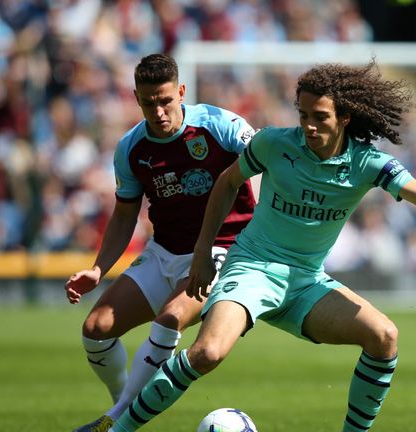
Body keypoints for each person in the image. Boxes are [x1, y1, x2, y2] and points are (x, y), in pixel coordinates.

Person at [109, 61, 416, 431]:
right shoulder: (273, 143)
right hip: (251, 269)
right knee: (207, 353)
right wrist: (204, 253)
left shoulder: (369, 164)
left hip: (306, 283)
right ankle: (117, 429)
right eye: (303, 114)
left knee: (384, 337)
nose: (308, 125)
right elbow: (225, 183)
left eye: (320, 117)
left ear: (345, 118)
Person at [64, 53, 257, 432]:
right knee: (96, 329)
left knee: (171, 317)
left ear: (181, 92)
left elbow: (268, 157)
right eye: (149, 103)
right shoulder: (131, 149)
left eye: (166, 100)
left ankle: (117, 422)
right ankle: (124, 405)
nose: (159, 111)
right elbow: (123, 215)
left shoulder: (221, 126)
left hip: (223, 249)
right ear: (137, 98)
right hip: (164, 251)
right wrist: (98, 268)